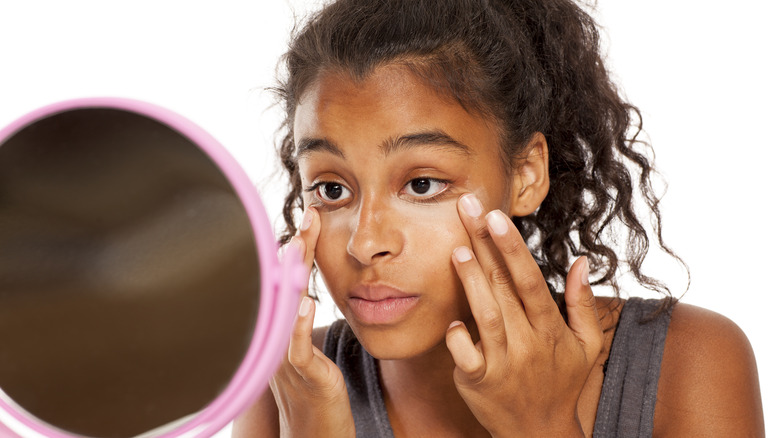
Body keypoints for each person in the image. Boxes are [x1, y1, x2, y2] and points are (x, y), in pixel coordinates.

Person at [233, 0, 764, 436]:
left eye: (422, 184)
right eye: (331, 189)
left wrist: (544, 427)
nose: (365, 242)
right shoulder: (285, 383)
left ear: (526, 175)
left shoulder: (688, 364)